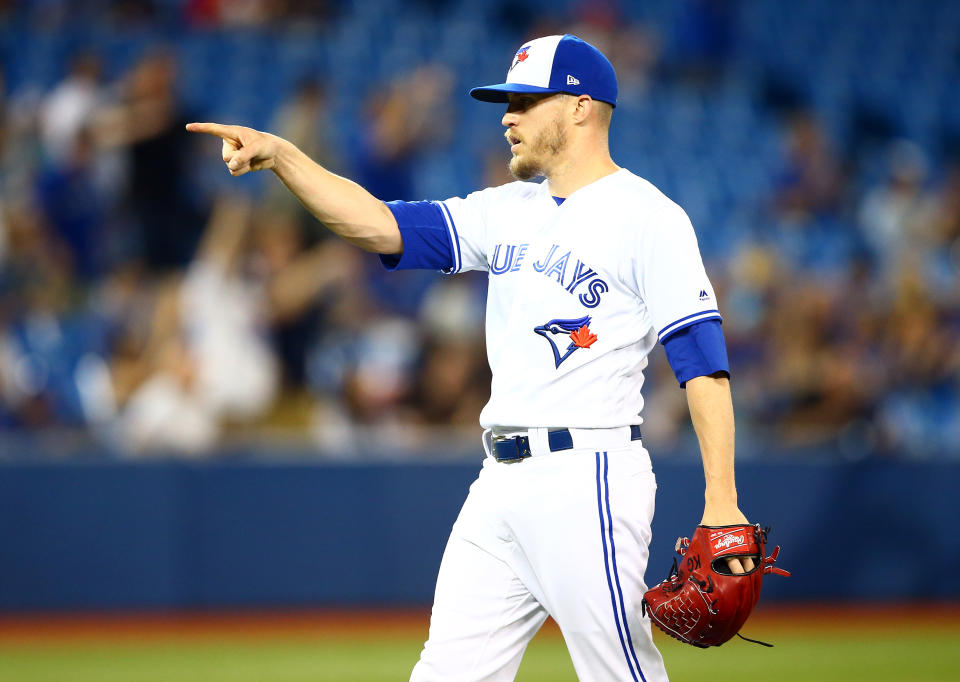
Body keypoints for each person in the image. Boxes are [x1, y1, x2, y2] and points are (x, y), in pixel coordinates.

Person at [189, 34, 753, 682]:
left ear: (579, 107)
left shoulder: (648, 217)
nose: (508, 116)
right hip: (499, 483)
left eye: (525, 100)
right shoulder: (504, 210)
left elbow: (702, 360)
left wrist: (723, 500)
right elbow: (377, 222)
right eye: (505, 102)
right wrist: (285, 157)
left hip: (587, 476)